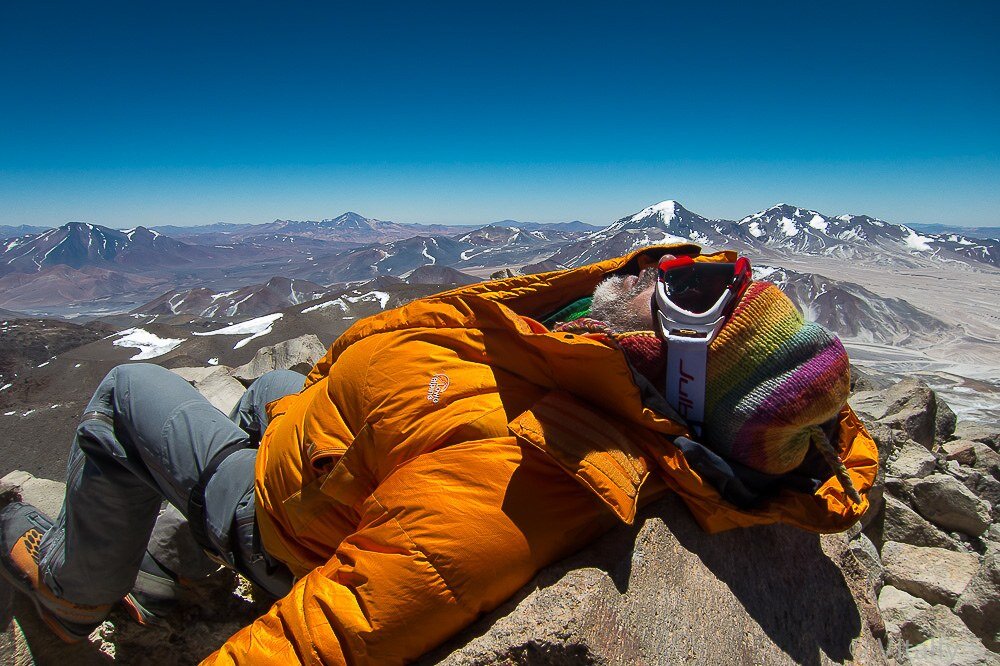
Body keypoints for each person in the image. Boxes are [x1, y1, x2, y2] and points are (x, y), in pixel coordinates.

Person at [0, 245, 879, 664]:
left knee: (126, 392)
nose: (670, 270)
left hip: (280, 529)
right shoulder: (582, 369)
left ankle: (70, 592)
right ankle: (171, 561)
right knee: (274, 398)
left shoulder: (516, 472)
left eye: (692, 295)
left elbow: (334, 633)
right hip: (345, 457)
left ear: (682, 377)